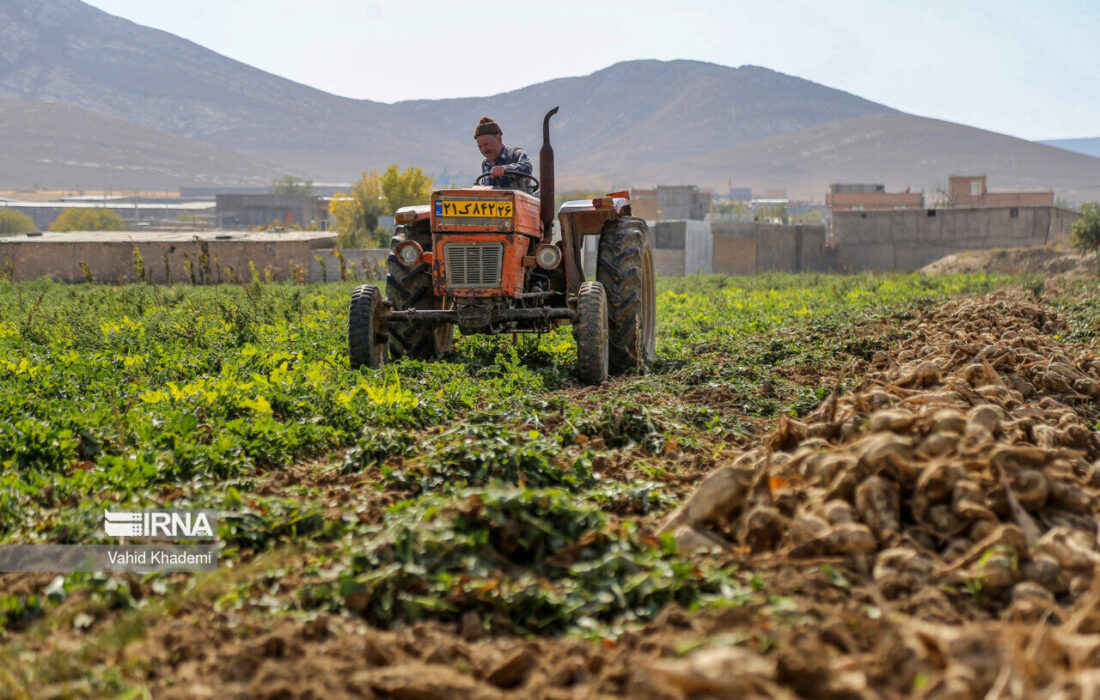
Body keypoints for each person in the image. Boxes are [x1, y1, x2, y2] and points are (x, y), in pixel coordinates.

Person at [474, 116, 535, 194]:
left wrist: (505, 169)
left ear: (499, 139)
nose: (483, 150)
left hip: (519, 203)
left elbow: (527, 167)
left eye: (486, 144)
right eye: (480, 146)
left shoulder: (516, 154)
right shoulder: (485, 163)